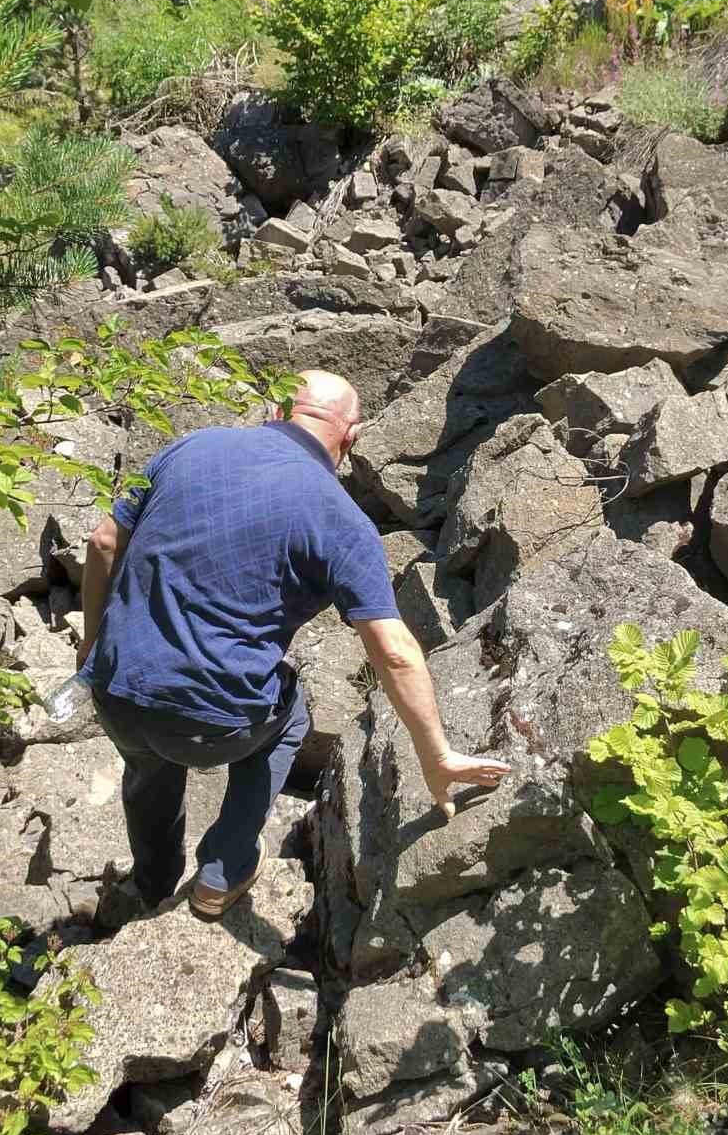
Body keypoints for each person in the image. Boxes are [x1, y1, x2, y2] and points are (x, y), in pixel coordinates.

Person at [76, 369, 511, 919]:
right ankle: (222, 871)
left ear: (279, 412)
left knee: (147, 772)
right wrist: (436, 755)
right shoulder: (341, 519)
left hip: (117, 687)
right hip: (211, 721)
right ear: (350, 439)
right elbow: (394, 650)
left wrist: (93, 640)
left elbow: (104, 540)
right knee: (290, 718)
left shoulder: (190, 446)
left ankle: (153, 882)